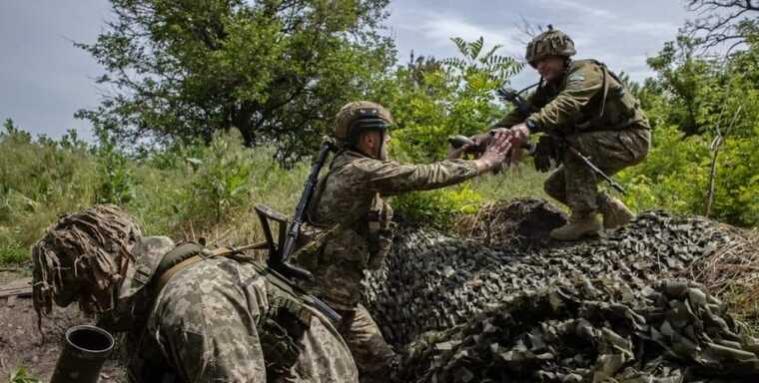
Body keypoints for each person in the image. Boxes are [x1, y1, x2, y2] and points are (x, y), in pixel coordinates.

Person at [290, 101, 512, 382]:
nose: (389, 141)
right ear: (371, 139)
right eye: (386, 135)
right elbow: (419, 176)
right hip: (326, 302)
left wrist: (454, 159)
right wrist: (485, 163)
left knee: (383, 367)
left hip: (338, 298)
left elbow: (409, 174)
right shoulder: (360, 171)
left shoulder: (349, 166)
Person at [32, 205, 358, 383]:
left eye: (85, 294)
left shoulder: (191, 302)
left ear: (107, 271)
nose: (88, 309)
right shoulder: (152, 301)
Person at [493, 26, 651, 240]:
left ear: (562, 56)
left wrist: (529, 126)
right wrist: (488, 136)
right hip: (605, 140)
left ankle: (584, 219)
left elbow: (566, 103)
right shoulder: (550, 87)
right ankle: (611, 209)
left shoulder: (586, 72)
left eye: (545, 60)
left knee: (575, 146)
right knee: (556, 186)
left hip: (632, 138)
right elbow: (519, 114)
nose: (540, 67)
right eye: (536, 63)